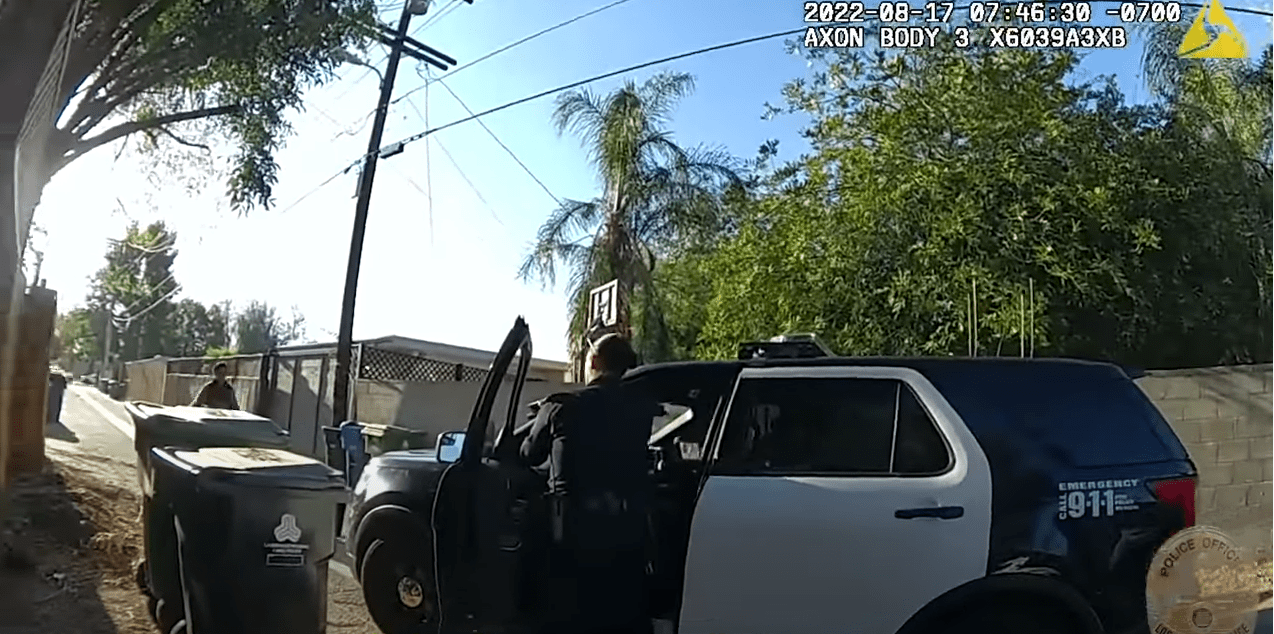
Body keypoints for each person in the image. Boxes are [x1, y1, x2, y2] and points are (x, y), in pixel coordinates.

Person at [520, 333, 661, 634]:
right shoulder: (641, 410)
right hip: (627, 528)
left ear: (594, 362)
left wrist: (543, 414)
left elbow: (529, 454)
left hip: (574, 534)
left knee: (573, 612)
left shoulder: (562, 406)